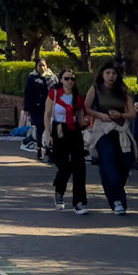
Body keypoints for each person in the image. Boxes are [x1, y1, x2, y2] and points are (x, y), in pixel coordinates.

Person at [84, 63, 133, 214]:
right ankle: (117, 201)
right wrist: (100, 115)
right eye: (108, 73)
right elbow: (86, 107)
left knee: (124, 164)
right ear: (102, 74)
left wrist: (121, 115)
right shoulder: (96, 89)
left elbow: (132, 113)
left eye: (114, 73)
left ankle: (114, 189)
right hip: (102, 131)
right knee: (109, 163)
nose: (111, 76)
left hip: (120, 130)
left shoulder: (123, 90)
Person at [46, 67, 87, 211]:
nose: (70, 81)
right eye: (67, 78)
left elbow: (81, 117)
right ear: (61, 80)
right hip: (59, 129)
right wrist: (47, 133)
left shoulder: (77, 97)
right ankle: (59, 190)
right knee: (64, 165)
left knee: (79, 166)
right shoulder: (55, 94)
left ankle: (79, 202)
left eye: (72, 79)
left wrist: (85, 125)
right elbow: (47, 113)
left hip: (74, 130)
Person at [22, 56, 52, 161]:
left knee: (49, 128)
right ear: (36, 67)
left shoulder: (51, 77)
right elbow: (28, 94)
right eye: (40, 65)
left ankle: (49, 149)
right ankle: (39, 148)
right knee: (40, 129)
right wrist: (27, 108)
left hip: (49, 107)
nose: (42, 68)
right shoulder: (32, 78)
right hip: (37, 108)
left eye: (44, 65)